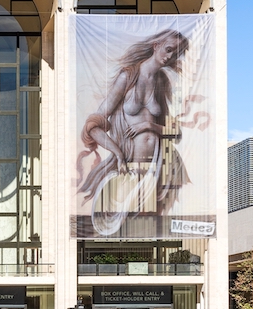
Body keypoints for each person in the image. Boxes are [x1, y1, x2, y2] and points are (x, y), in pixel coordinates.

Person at [77, 29, 193, 236]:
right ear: (156, 45)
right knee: (118, 225)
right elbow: (93, 125)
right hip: (130, 166)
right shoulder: (128, 76)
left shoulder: (162, 82)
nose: (169, 57)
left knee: (149, 230)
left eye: (175, 54)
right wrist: (117, 153)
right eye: (168, 50)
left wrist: (150, 127)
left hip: (158, 168)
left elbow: (175, 133)